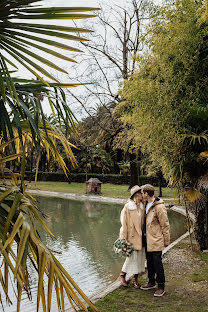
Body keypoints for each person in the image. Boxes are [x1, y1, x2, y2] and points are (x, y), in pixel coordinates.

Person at [140, 184, 170, 297]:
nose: (141, 195)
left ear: (146, 194)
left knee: (157, 263)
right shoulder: (146, 203)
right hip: (146, 239)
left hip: (156, 240)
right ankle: (151, 282)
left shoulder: (159, 207)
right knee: (150, 262)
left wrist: (166, 241)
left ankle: (161, 286)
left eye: (142, 193)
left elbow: (165, 225)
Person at [119, 185, 146, 288]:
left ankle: (135, 279)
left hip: (141, 236)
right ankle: (122, 275)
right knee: (131, 257)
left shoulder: (143, 205)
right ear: (136, 195)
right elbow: (124, 223)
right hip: (131, 236)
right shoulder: (128, 207)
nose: (142, 195)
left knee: (139, 258)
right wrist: (123, 238)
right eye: (141, 193)